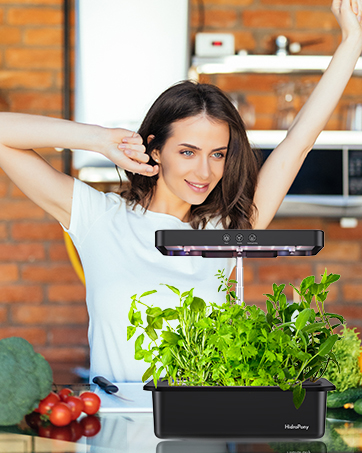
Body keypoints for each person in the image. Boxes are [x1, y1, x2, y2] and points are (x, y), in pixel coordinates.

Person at [0, 0, 361, 383]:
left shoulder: (226, 230)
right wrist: (100, 139)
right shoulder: (99, 217)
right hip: (118, 435)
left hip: (205, 432)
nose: (204, 171)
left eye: (217, 154)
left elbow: (299, 142)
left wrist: (352, 43)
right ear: (155, 149)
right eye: (187, 152)